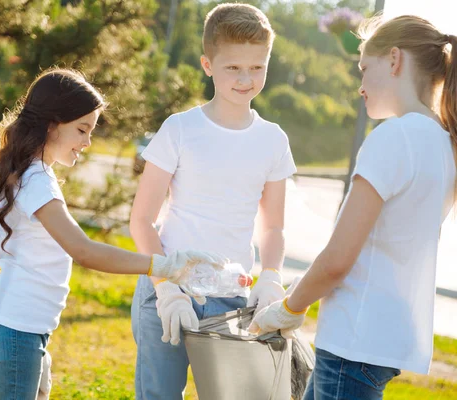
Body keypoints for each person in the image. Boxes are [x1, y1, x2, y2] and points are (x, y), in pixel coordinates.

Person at [0, 67, 228, 400]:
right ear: (51, 124)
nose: (88, 142)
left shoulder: (34, 174)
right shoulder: (35, 181)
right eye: (81, 130)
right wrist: (160, 266)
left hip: (23, 330)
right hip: (15, 330)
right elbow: (84, 250)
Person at [252, 14, 457, 400]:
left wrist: (288, 308)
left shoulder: (393, 138)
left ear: (394, 59)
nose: (360, 85)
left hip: (354, 339)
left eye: (365, 68)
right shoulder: (446, 145)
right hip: (387, 337)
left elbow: (338, 261)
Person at [128, 3, 296, 399]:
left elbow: (273, 226)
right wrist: (166, 289)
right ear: (207, 64)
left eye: (257, 67)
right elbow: (141, 220)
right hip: (166, 293)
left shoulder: (273, 140)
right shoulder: (181, 128)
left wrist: (271, 276)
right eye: (232, 67)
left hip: (231, 297)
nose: (245, 78)